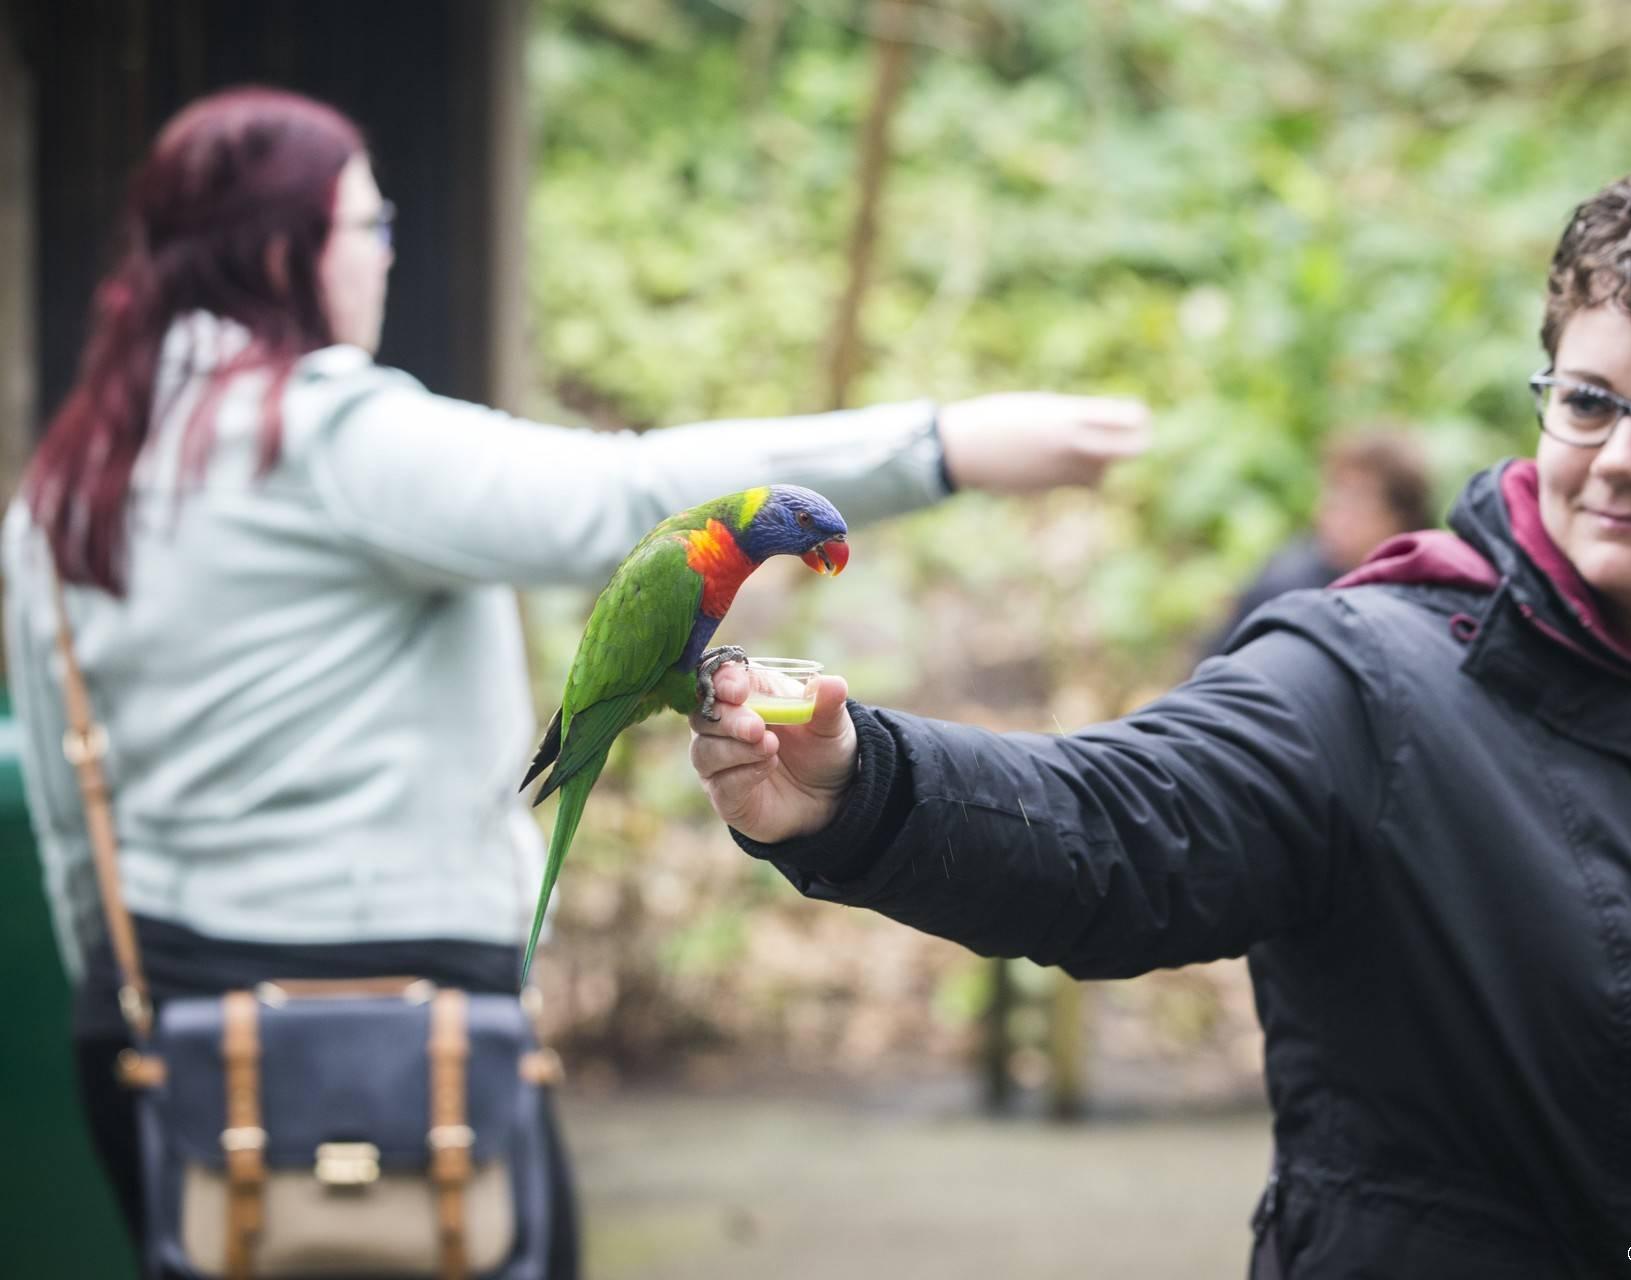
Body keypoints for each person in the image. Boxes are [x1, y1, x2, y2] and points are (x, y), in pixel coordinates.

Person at [689, 154, 1631, 1276]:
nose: (1621, 457)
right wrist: (861, 784)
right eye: (1587, 401)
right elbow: (1117, 827)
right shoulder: (1371, 677)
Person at [0, 85, 1148, 1275]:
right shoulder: (323, 433)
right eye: (372, 224)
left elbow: (67, 805)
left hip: (162, 1022)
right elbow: (613, 501)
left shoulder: (73, 473)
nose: (387, 256)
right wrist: (935, 448)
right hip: (394, 1029)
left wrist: (123, 988)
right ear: (287, 248)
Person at [1204, 428, 1433, 656]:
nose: (1333, 512)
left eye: (1356, 500)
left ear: (1399, 517)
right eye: (1333, 493)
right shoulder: (1285, 583)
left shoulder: (1424, 594)